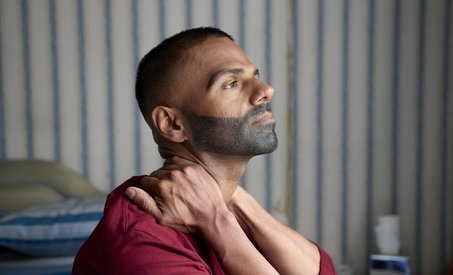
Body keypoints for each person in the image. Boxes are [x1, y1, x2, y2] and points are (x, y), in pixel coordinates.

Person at [72, 26, 335, 274]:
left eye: (255, 76)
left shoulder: (230, 211)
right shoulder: (142, 242)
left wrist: (233, 200)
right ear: (173, 124)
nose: (266, 90)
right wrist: (217, 220)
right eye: (231, 83)